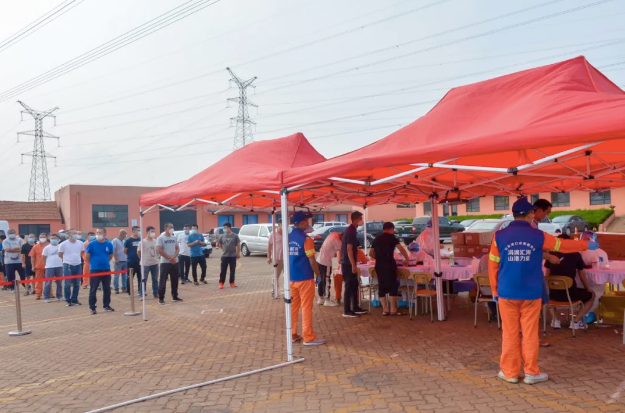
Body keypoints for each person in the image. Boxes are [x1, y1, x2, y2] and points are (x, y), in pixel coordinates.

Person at [489, 198, 598, 385]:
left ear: (513, 214)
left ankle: (510, 373)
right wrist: (586, 244)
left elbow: (493, 266)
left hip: (507, 292)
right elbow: (562, 246)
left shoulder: (499, 236)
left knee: (510, 333)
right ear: (530, 213)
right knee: (530, 333)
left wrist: (494, 291)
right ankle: (531, 372)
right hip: (531, 293)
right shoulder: (538, 236)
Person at [545, 234, 595, 330]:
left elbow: (547, 276)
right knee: (591, 296)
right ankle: (576, 321)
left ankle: (555, 320)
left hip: (553, 295)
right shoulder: (575, 254)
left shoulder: (551, 254)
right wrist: (587, 289)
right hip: (571, 295)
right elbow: (582, 275)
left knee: (544, 295)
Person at [289, 211, 325, 346]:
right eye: (307, 221)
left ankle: (292, 334)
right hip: (305, 278)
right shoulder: (307, 239)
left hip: (291, 278)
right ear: (302, 222)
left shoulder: (288, 237)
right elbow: (312, 260)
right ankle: (308, 337)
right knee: (306, 307)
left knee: (293, 307)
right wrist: (318, 274)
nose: (308, 223)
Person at [369, 222, 410, 316]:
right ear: (391, 228)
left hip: (379, 265)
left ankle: (385, 310)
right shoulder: (392, 238)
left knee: (382, 286)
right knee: (392, 286)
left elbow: (371, 253)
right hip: (389, 264)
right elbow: (401, 249)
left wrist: (379, 257)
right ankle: (393, 309)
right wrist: (406, 259)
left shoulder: (376, 239)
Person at [340, 211, 368, 318]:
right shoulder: (350, 232)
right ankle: (347, 310)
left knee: (354, 285)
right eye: (361, 218)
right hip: (347, 263)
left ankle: (355, 307)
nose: (362, 221)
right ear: (356, 219)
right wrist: (353, 264)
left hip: (349, 262)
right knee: (349, 286)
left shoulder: (352, 230)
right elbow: (349, 249)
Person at [85, 228, 115, 315]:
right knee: (93, 289)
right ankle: (92, 307)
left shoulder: (109, 244)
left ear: (105, 234)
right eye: (97, 232)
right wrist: (94, 264)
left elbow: (110, 255)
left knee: (106, 288)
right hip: (95, 269)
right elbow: (87, 257)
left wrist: (103, 262)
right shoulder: (91, 244)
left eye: (100, 233)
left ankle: (106, 305)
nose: (98, 234)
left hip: (106, 269)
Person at [157, 223, 182, 305]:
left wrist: (174, 257)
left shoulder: (174, 237)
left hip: (175, 262)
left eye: (173, 227)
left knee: (175, 279)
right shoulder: (161, 238)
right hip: (165, 262)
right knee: (163, 280)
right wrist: (169, 258)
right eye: (170, 227)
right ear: (166, 228)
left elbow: (177, 248)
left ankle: (175, 296)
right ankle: (161, 298)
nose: (172, 228)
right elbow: (159, 250)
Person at [316, 230, 342, 307]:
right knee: (327, 280)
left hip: (319, 260)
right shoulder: (337, 240)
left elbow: (331, 249)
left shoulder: (332, 235)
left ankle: (321, 298)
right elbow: (341, 254)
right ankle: (327, 299)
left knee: (320, 280)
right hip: (326, 262)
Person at [59, 229, 84, 306]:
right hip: (68, 265)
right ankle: (67, 300)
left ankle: (74, 299)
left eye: (76, 233)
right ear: (69, 235)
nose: (76, 235)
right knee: (67, 283)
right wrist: (67, 260)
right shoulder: (63, 244)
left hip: (78, 265)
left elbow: (82, 252)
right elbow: (60, 254)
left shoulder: (80, 243)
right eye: (74, 233)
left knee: (77, 283)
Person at [217, 222, 240, 289]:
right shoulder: (222, 236)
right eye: (223, 228)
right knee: (223, 270)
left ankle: (232, 282)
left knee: (232, 270)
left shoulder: (235, 236)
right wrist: (223, 250)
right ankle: (221, 282)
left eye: (225, 228)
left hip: (232, 256)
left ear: (229, 228)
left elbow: (238, 245)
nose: (224, 229)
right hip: (225, 256)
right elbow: (220, 244)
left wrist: (238, 253)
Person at [138, 226, 159, 299]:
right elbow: (139, 252)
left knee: (155, 279)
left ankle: (156, 293)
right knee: (144, 279)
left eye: (154, 231)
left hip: (154, 263)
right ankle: (142, 293)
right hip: (145, 264)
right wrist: (142, 259)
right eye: (151, 231)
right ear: (147, 232)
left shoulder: (155, 241)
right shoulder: (142, 242)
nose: (153, 233)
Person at [42, 233, 63, 303]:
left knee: (59, 282)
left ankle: (59, 296)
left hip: (59, 266)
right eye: (52, 238)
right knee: (48, 283)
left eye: (55, 238)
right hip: (49, 267)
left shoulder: (60, 246)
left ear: (58, 239)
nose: (53, 240)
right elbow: (44, 257)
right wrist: (48, 264)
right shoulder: (47, 248)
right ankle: (46, 297)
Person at [29, 233, 49, 300]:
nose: (42, 238)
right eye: (41, 237)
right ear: (39, 238)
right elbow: (32, 257)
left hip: (49, 266)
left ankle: (49, 293)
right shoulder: (36, 246)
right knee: (38, 281)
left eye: (43, 237)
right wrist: (33, 266)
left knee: (49, 281)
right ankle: (38, 294)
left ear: (46, 237)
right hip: (39, 266)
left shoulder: (50, 245)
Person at [267, 219, 284, 299]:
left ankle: (288, 291)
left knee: (288, 275)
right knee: (276, 275)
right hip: (277, 258)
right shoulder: (273, 234)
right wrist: (268, 257)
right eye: (283, 225)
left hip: (286, 258)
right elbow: (269, 245)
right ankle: (275, 292)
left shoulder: (287, 234)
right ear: (279, 225)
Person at [124, 226, 142, 296]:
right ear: (134, 231)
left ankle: (140, 291)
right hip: (131, 262)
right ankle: (129, 292)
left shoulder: (140, 240)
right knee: (130, 277)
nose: (139, 232)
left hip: (139, 261)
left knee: (140, 277)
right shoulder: (128, 241)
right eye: (138, 230)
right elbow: (125, 251)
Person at [112, 229, 128, 295]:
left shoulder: (124, 241)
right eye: (125, 234)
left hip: (124, 260)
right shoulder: (115, 241)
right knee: (116, 275)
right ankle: (116, 288)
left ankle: (124, 287)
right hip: (118, 261)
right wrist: (116, 259)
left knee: (124, 275)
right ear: (122, 234)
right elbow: (114, 251)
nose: (126, 235)